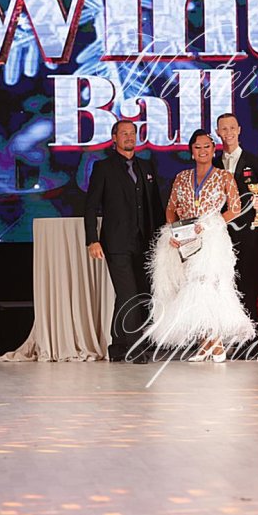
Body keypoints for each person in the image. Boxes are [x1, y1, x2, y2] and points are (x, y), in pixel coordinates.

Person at [143, 130, 255, 363]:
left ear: (213, 150)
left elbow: (235, 208)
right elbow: (171, 209)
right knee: (191, 289)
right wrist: (173, 232)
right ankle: (205, 344)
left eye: (207, 146)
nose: (202, 151)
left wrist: (209, 224)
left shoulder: (224, 176)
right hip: (185, 239)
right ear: (191, 152)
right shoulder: (182, 177)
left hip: (212, 239)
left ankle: (216, 342)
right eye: (197, 147)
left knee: (209, 286)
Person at [84, 120, 166, 363]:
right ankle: (135, 348)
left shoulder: (146, 166)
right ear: (114, 138)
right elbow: (90, 207)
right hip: (116, 243)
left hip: (145, 242)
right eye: (124, 133)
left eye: (132, 133)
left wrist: (162, 238)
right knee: (129, 294)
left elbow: (156, 206)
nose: (129, 137)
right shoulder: (103, 168)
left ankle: (118, 346)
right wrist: (92, 240)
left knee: (135, 292)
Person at [212, 113, 258, 339]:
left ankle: (250, 341)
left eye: (232, 128)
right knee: (224, 286)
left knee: (251, 286)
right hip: (221, 235)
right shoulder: (212, 164)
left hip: (252, 234)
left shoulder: (256, 162)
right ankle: (227, 339)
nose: (228, 133)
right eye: (223, 129)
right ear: (217, 133)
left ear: (239, 130)